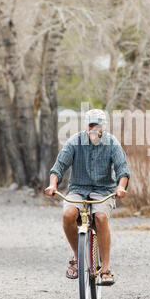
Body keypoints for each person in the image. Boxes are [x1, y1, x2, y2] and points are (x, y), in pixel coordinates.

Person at [44, 109, 130, 286]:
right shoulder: (75, 142)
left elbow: (123, 170)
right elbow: (58, 167)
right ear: (86, 125)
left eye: (98, 125)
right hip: (78, 190)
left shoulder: (112, 143)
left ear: (103, 126)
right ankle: (77, 256)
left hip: (104, 191)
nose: (94, 128)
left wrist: (121, 187)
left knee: (100, 217)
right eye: (91, 124)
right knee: (68, 215)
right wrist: (53, 184)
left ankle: (105, 269)